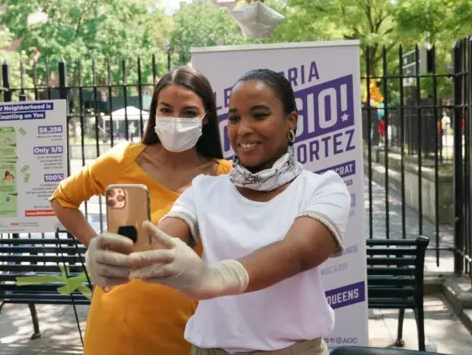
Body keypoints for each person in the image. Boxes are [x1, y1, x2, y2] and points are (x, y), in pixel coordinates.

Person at [128, 69, 352, 354]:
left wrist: (213, 279)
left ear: (290, 121)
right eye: (234, 118)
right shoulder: (204, 189)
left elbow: (299, 251)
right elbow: (165, 238)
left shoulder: (323, 188)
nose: (243, 129)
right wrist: (122, 255)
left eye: (259, 115)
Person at [49, 66, 231, 355]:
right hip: (118, 324)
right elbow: (62, 199)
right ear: (154, 112)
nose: (175, 120)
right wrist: (97, 246)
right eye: (166, 109)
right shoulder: (121, 161)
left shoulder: (225, 177)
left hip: (191, 328)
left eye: (188, 112)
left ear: (206, 116)